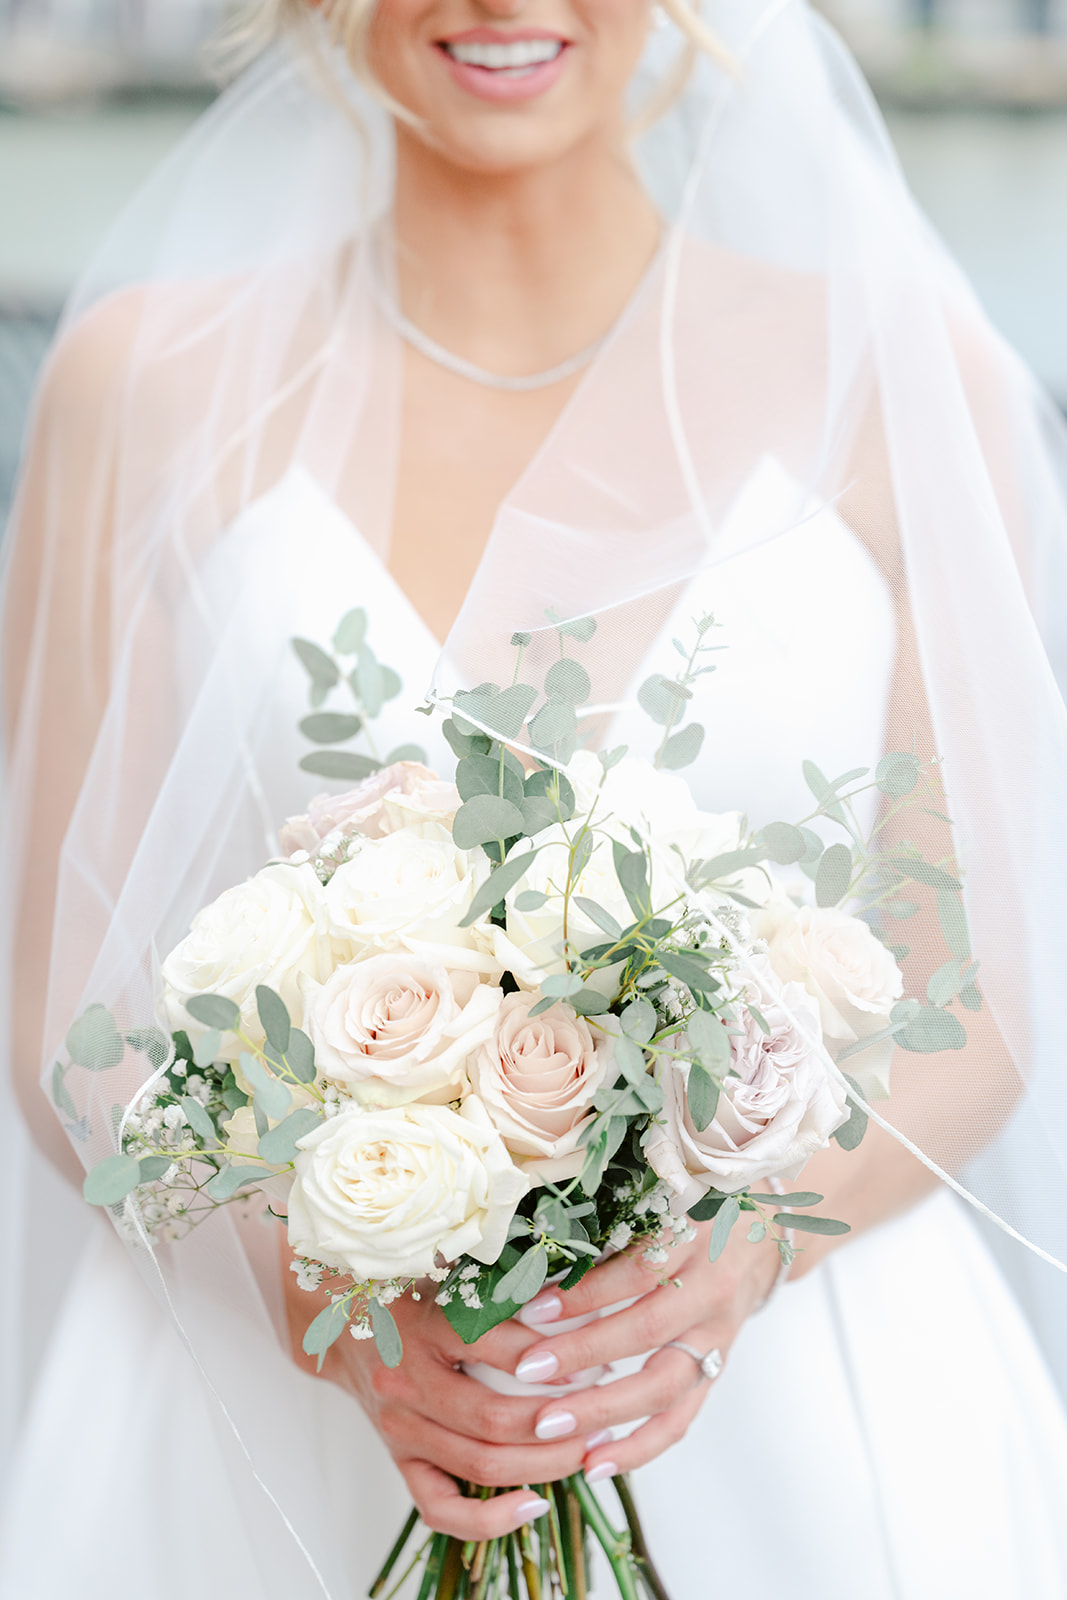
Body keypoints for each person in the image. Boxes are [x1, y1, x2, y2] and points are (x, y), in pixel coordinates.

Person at [4, 0, 1067, 1595]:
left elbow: (975, 1007)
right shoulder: (141, 384)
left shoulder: (908, 372)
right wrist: (317, 1300)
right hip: (257, 1423)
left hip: (800, 1414)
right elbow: (67, 1015)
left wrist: (750, 1252)